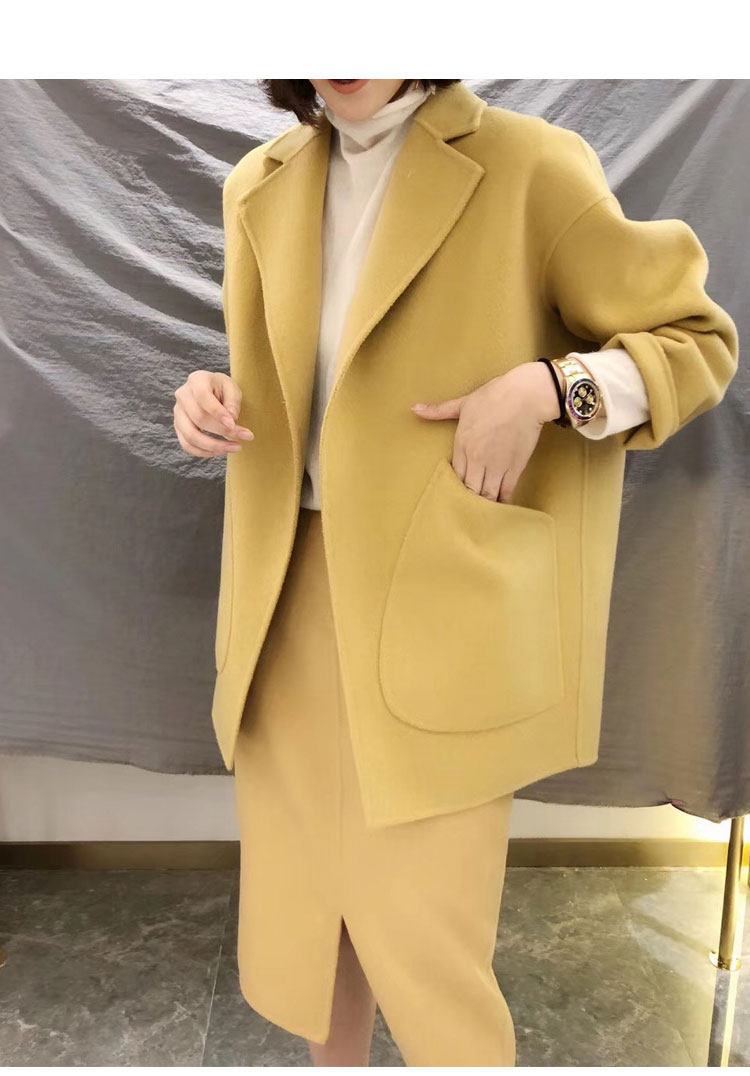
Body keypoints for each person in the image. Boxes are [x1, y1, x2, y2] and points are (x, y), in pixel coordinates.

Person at [173, 79, 738, 1066]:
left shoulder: (530, 165)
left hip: (438, 606)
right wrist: (208, 396)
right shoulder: (260, 182)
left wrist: (548, 388)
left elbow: (697, 343)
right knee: (309, 919)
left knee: (428, 950)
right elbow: (297, 388)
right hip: (283, 602)